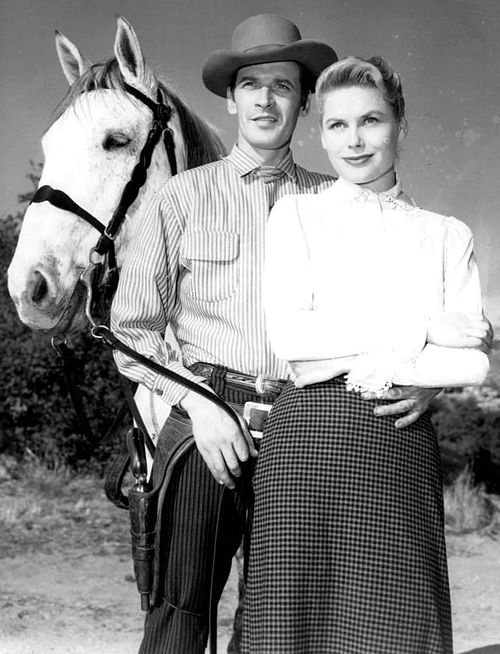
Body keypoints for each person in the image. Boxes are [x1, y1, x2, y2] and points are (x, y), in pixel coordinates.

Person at [111, 15, 449, 652]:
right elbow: (135, 329)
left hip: (317, 428)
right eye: (252, 84)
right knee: (181, 614)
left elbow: (415, 306)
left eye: (284, 86)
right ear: (233, 98)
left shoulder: (341, 198)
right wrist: (199, 406)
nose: (266, 99)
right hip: (209, 421)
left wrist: (428, 381)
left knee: (291, 624)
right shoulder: (179, 198)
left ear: (304, 103)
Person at [241, 56, 492, 654]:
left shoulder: (446, 234)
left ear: (400, 125)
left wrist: (363, 349)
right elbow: (294, 341)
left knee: (397, 630)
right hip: (304, 442)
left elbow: (472, 365)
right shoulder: (295, 214)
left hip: (397, 436)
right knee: (290, 630)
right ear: (320, 132)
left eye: (371, 121)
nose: (354, 141)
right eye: (336, 125)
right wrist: (426, 328)